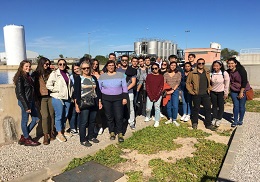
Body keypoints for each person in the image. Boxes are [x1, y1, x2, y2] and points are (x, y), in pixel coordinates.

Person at [98, 60, 128, 142]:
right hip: (106, 99)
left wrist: (125, 98)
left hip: (118, 99)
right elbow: (99, 89)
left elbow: (124, 87)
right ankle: (112, 132)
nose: (111, 67)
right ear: (106, 67)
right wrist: (99, 100)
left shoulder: (120, 75)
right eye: (109, 65)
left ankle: (120, 132)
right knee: (109, 116)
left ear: (115, 66)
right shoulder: (102, 76)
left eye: (112, 65)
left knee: (119, 116)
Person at [74, 61, 102, 147]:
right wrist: (76, 105)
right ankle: (82, 139)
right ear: (81, 69)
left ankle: (91, 136)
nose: (86, 69)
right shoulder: (79, 78)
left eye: (87, 68)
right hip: (84, 102)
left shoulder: (93, 77)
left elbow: (98, 91)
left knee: (92, 121)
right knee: (84, 122)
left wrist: (99, 101)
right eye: (84, 68)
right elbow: (76, 93)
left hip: (94, 102)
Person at [13, 60, 41, 146]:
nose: (28, 68)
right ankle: (27, 139)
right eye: (26, 66)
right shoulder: (20, 78)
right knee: (25, 120)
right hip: (25, 102)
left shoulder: (28, 76)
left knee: (36, 119)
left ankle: (25, 137)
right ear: (22, 67)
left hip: (31, 101)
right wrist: (26, 106)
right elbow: (20, 94)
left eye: (29, 66)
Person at [46, 59, 73, 142]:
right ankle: (59, 133)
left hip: (67, 97)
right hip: (58, 98)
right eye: (60, 64)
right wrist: (56, 90)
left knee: (65, 115)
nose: (62, 65)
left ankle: (63, 130)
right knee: (59, 116)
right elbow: (48, 85)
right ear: (58, 65)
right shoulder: (54, 74)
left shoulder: (67, 74)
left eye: (64, 64)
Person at [186, 58, 215, 130]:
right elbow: (187, 83)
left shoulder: (207, 72)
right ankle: (195, 122)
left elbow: (211, 81)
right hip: (196, 94)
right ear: (197, 64)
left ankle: (208, 124)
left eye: (202, 63)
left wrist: (210, 88)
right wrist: (191, 91)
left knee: (208, 109)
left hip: (206, 94)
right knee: (196, 109)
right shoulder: (192, 73)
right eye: (199, 63)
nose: (201, 65)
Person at [32, 57, 55, 145]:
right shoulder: (36, 74)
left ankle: (52, 131)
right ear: (41, 63)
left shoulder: (51, 73)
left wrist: (55, 70)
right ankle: (46, 134)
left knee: (52, 115)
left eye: (48, 64)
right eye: (46, 64)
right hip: (41, 97)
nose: (47, 65)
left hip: (51, 96)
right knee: (45, 116)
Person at [227, 58, 251, 127]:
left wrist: (241, 92)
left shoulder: (241, 70)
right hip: (234, 90)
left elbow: (244, 81)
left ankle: (240, 120)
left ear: (235, 64)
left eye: (232, 63)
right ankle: (235, 120)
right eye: (229, 63)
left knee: (241, 105)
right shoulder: (228, 71)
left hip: (243, 90)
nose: (230, 65)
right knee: (236, 105)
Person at [117, 55, 137, 130]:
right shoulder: (118, 70)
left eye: (126, 60)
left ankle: (131, 122)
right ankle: (121, 121)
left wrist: (125, 89)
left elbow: (133, 82)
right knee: (120, 108)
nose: (124, 61)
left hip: (129, 92)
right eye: (123, 60)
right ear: (121, 61)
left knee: (130, 107)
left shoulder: (132, 70)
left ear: (128, 61)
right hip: (119, 92)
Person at [210, 60, 230, 127]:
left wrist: (226, 93)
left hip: (221, 92)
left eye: (217, 66)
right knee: (214, 106)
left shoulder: (224, 73)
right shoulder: (211, 73)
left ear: (220, 66)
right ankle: (214, 117)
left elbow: (227, 84)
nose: (216, 67)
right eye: (214, 66)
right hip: (213, 92)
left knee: (221, 106)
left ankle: (219, 118)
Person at [145, 63, 164, 127]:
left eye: (156, 68)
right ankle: (148, 116)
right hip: (150, 94)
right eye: (152, 68)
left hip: (158, 95)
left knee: (157, 107)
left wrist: (156, 96)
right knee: (148, 108)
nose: (154, 70)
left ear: (158, 68)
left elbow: (161, 87)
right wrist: (150, 96)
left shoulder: (161, 77)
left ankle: (157, 120)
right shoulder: (149, 76)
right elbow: (147, 86)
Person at [164, 62, 181, 126]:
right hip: (167, 91)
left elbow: (178, 82)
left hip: (175, 91)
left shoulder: (178, 73)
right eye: (172, 65)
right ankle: (170, 118)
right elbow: (164, 82)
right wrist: (167, 91)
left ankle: (174, 119)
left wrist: (173, 90)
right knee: (168, 106)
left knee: (175, 106)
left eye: (174, 65)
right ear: (169, 66)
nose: (173, 66)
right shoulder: (166, 74)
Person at [90, 59, 104, 135]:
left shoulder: (100, 73)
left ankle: (100, 125)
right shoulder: (88, 73)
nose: (95, 66)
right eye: (93, 64)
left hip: (100, 94)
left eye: (96, 64)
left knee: (99, 111)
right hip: (91, 94)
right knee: (93, 111)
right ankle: (95, 125)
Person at [68, 63, 81, 135]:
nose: (76, 70)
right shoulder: (72, 77)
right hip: (73, 97)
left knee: (80, 113)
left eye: (77, 68)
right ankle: (73, 127)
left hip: (81, 97)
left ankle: (79, 127)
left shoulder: (82, 76)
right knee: (73, 113)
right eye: (74, 69)